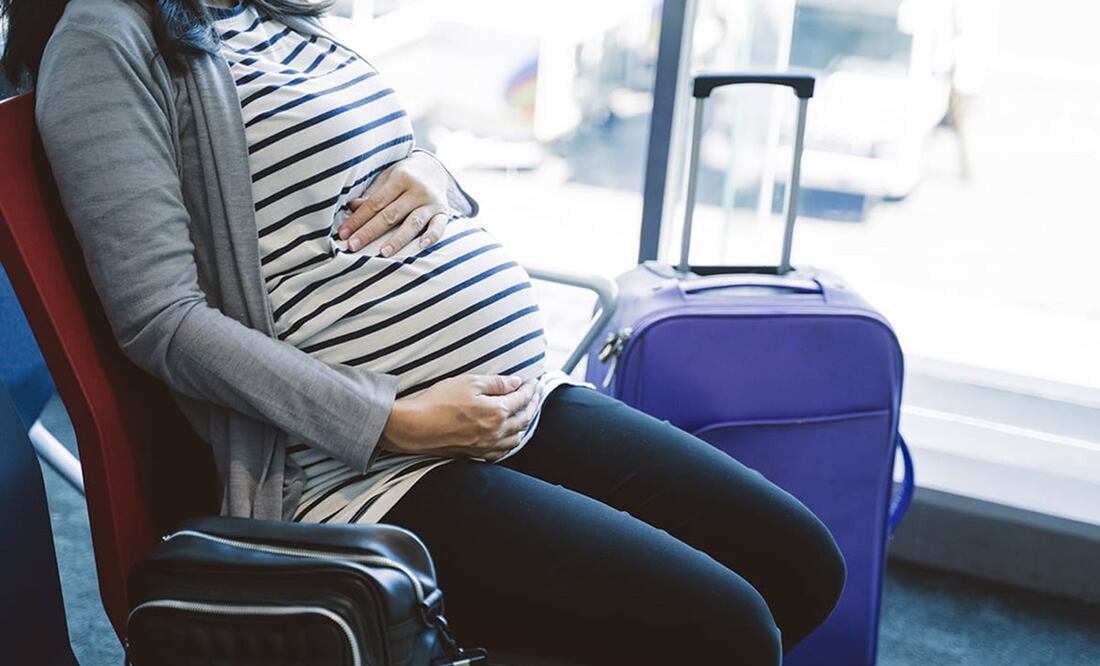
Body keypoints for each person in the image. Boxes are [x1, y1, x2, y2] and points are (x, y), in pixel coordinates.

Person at [1, 0, 845, 662]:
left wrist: (437, 174)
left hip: (520, 399)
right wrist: (392, 419)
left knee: (800, 565)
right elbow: (163, 322)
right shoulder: (108, 42)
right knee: (727, 632)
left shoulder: (272, 13)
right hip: (363, 469)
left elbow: (383, 156)